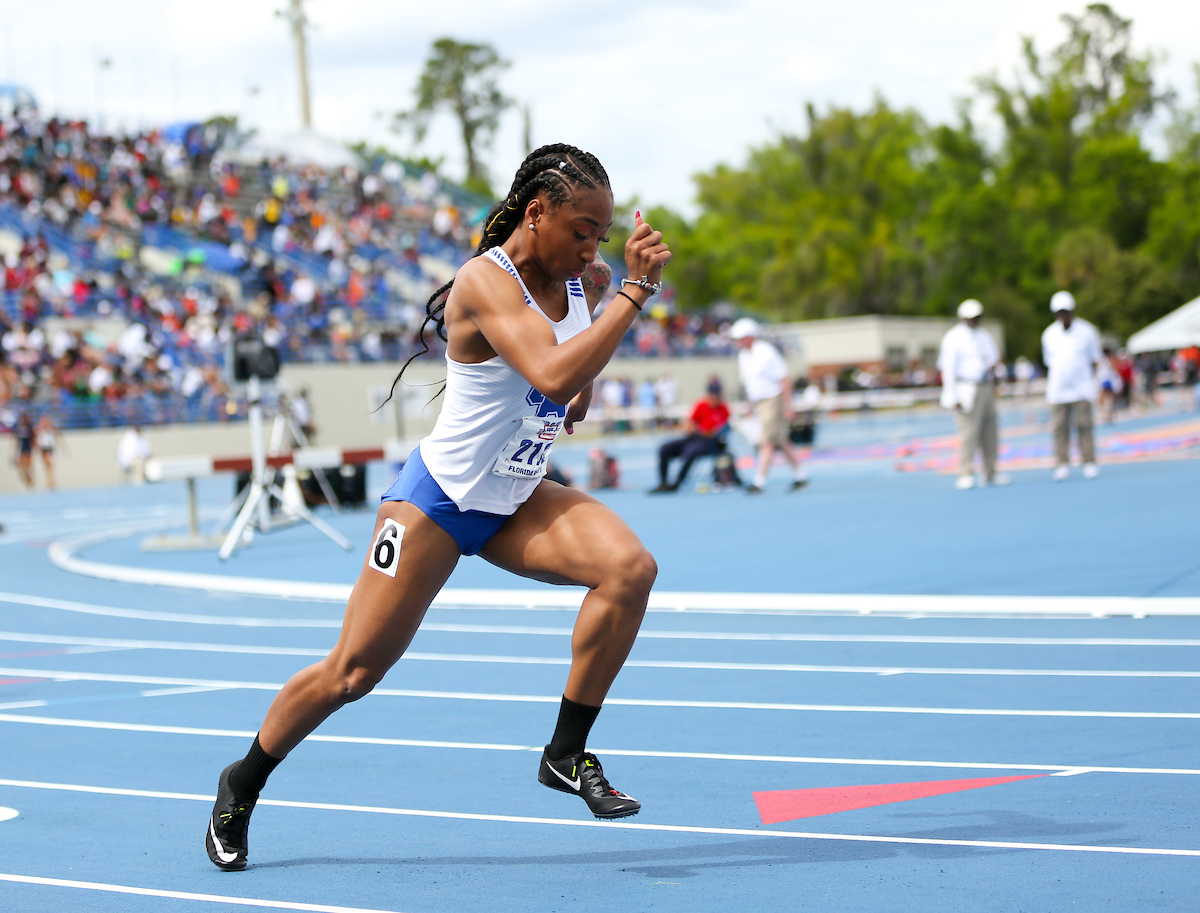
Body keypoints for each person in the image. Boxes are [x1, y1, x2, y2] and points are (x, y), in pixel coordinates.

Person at [205, 145, 672, 871]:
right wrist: (631, 297)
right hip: (438, 502)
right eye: (581, 230)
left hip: (515, 497)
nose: (590, 248)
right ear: (537, 211)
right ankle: (244, 778)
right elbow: (551, 372)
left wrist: (603, 303)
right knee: (352, 673)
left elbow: (570, 401)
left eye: (602, 237)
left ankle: (566, 751)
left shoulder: (582, 282)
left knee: (629, 569)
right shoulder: (485, 280)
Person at [937, 299, 1009, 489]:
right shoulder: (953, 338)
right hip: (966, 388)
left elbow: (994, 360)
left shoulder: (984, 336)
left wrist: (998, 374)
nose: (975, 321)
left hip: (986, 386)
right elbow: (948, 369)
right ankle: (965, 472)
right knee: (968, 432)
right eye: (971, 318)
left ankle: (990, 472)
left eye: (977, 317)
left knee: (990, 431)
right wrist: (951, 396)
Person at [729, 318, 806, 494]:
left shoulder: (766, 352)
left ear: (749, 337)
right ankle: (800, 474)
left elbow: (784, 380)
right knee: (781, 440)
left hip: (772, 399)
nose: (737, 341)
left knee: (767, 441)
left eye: (740, 337)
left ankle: (759, 481)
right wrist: (750, 408)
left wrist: (788, 406)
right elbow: (750, 385)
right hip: (759, 402)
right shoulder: (743, 356)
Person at [1042, 291, 1102, 480]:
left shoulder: (1088, 331)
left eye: (1066, 311)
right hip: (1058, 390)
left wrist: (1088, 380)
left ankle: (1089, 460)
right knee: (1060, 428)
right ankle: (1062, 462)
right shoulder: (1049, 334)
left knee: (1085, 425)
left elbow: (1095, 360)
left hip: (1081, 388)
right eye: (1060, 312)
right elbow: (1049, 361)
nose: (1063, 316)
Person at [649, 377, 731, 492]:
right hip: (695, 437)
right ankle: (663, 483)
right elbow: (691, 422)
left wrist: (711, 433)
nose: (714, 399)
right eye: (712, 396)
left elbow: (724, 429)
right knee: (665, 448)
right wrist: (689, 427)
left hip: (711, 442)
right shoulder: (701, 405)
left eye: (716, 396)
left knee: (692, 451)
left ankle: (678, 482)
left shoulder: (723, 408)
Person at [35, 413, 64, 490]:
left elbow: (57, 436)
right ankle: (49, 482)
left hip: (49, 448)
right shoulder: (39, 431)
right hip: (43, 449)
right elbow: (38, 441)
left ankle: (51, 482)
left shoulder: (50, 430)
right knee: (46, 466)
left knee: (50, 465)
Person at [12, 412, 35, 490]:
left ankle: (30, 483)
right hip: (21, 449)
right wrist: (15, 453)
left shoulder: (29, 428)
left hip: (27, 449)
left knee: (27, 467)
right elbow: (17, 441)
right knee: (21, 469)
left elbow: (33, 440)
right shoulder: (18, 429)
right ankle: (29, 481)